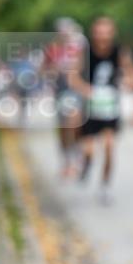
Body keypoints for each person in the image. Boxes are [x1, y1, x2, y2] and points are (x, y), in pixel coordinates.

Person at [70, 17, 133, 205]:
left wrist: (129, 82)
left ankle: (105, 186)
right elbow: (73, 77)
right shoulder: (85, 52)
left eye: (107, 33)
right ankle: (85, 163)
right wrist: (85, 89)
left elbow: (132, 73)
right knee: (88, 149)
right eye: (100, 33)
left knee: (109, 147)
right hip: (90, 107)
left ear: (113, 33)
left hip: (110, 107)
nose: (103, 37)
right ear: (94, 33)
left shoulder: (120, 52)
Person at [42, 18, 86, 178]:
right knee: (63, 129)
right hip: (60, 91)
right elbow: (42, 69)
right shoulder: (52, 49)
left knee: (74, 122)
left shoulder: (78, 47)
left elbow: (83, 66)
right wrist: (52, 71)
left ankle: (77, 153)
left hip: (75, 90)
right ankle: (66, 161)